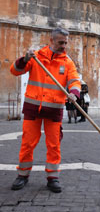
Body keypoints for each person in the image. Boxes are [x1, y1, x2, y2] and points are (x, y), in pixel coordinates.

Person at [10, 27, 81, 192]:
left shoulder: (67, 62)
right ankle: (22, 175)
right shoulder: (36, 57)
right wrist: (24, 59)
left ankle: (53, 177)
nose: (64, 46)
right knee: (27, 143)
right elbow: (15, 71)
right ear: (52, 41)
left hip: (54, 111)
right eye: (61, 42)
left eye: (66, 43)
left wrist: (74, 93)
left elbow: (74, 81)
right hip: (33, 108)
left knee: (54, 145)